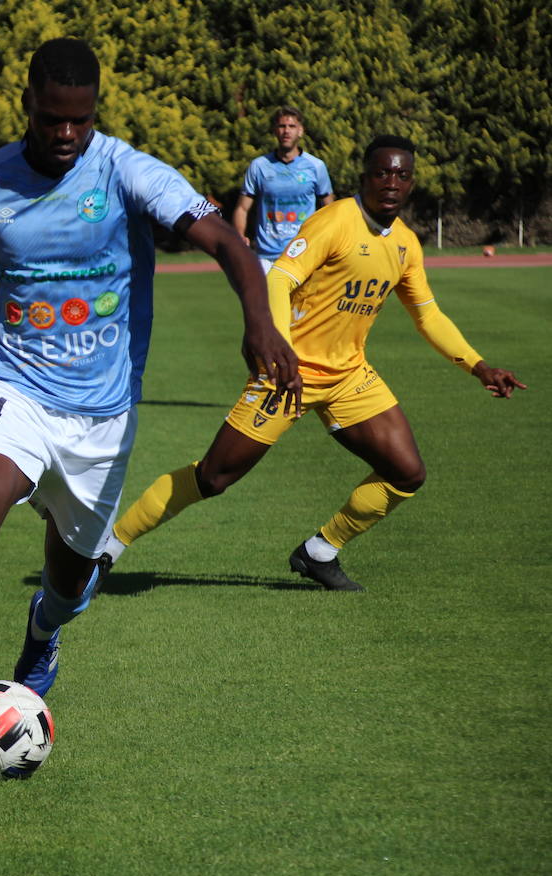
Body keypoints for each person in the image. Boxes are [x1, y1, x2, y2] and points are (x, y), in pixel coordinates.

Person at [0, 38, 299, 750]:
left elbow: (225, 242)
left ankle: (42, 633)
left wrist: (259, 322)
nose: (66, 135)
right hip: (13, 387)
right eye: (54, 118)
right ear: (27, 102)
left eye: (80, 121)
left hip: (101, 417)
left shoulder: (127, 171)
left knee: (69, 583)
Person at [108, 135, 524, 590]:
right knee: (213, 477)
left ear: (411, 184)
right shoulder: (334, 222)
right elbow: (279, 281)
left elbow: (427, 315)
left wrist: (478, 366)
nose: (391, 182)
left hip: (348, 376)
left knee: (406, 473)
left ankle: (319, 551)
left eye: (401, 174)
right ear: (363, 178)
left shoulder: (405, 244)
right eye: (382, 172)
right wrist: (281, 353)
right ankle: (108, 547)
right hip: (289, 374)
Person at [232, 106, 334, 273]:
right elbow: (242, 208)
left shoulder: (316, 166)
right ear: (275, 131)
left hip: (303, 253)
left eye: (292, 126)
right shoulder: (259, 166)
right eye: (282, 126)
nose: (286, 131)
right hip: (266, 256)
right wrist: (239, 236)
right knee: (266, 300)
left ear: (300, 131)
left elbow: (329, 208)